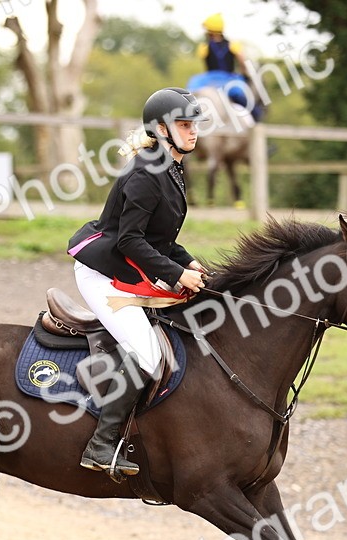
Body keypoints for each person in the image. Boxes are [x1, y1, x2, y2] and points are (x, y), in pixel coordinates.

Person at [66, 88, 210, 477]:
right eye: (184, 124)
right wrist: (178, 274)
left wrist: (189, 261)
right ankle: (101, 445)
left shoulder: (172, 166)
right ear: (161, 129)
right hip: (103, 272)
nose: (193, 132)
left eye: (194, 124)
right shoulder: (147, 174)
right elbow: (130, 240)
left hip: (127, 264)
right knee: (147, 355)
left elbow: (160, 239)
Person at [190, 13, 262, 122]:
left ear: (210, 30)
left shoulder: (204, 47)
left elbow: (205, 63)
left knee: (191, 88)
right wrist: (245, 75)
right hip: (228, 78)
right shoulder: (233, 45)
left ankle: (182, 112)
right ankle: (255, 115)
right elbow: (242, 61)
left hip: (209, 79)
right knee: (238, 93)